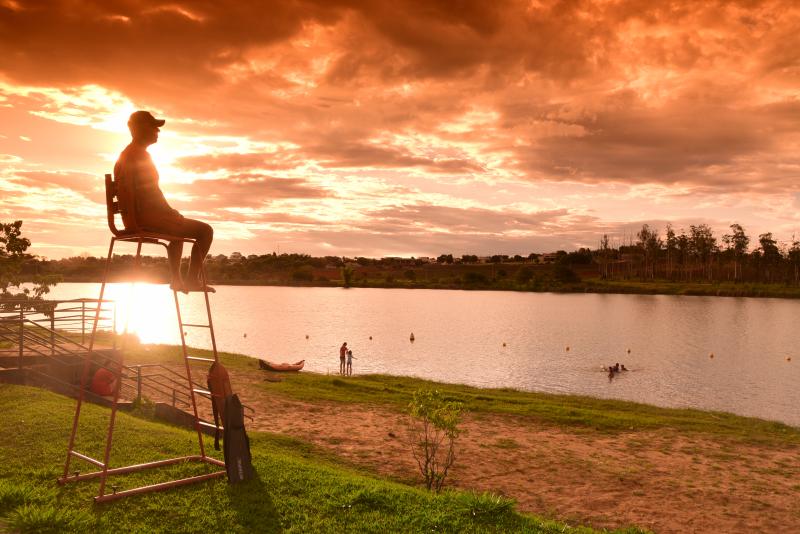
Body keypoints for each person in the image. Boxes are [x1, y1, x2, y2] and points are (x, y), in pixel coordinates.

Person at [114, 110, 214, 293]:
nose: (157, 132)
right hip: (148, 218)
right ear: (142, 128)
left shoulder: (125, 156)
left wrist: (168, 214)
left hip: (134, 218)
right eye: (154, 127)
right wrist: (169, 212)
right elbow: (151, 193)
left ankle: (176, 280)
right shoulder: (139, 156)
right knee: (205, 231)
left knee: (177, 227)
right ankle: (191, 280)